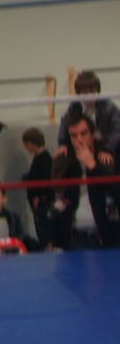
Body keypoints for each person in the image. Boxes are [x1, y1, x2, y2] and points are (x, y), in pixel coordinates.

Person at [50, 113, 118, 249]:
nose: (79, 140)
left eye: (84, 134)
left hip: (109, 233)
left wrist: (93, 165)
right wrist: (59, 163)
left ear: (93, 135)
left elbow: (116, 192)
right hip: (77, 235)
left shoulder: (107, 157)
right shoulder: (66, 159)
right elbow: (58, 191)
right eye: (73, 136)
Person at [55, 71, 119, 163]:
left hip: (107, 145)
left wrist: (107, 149)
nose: (89, 96)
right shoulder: (75, 106)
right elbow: (65, 123)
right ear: (79, 93)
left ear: (98, 91)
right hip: (85, 145)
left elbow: (117, 130)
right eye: (85, 93)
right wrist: (63, 144)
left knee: (107, 162)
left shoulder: (108, 106)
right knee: (62, 157)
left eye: (92, 92)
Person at [21, 128, 54, 250]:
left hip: (42, 203)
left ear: (30, 143)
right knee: (42, 230)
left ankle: (48, 248)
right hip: (39, 202)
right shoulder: (40, 158)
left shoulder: (43, 159)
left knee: (44, 231)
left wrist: (40, 197)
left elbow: (47, 180)